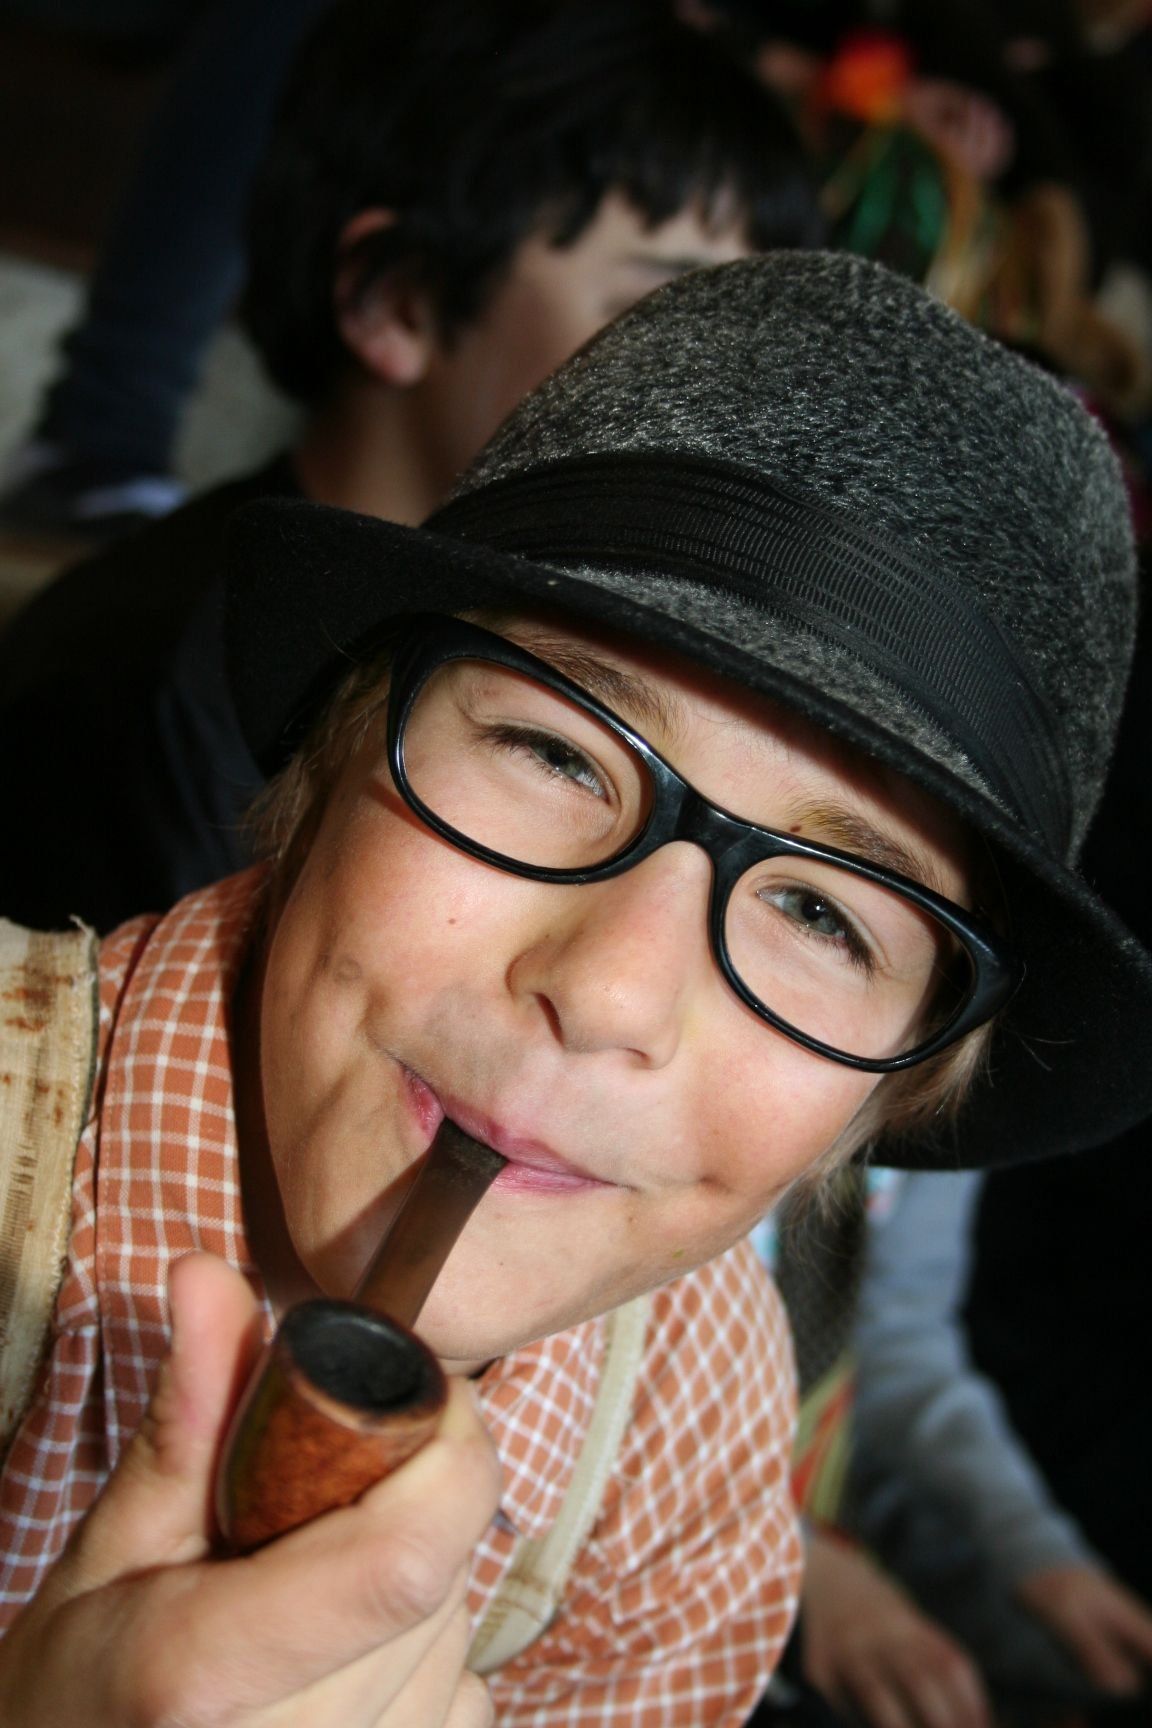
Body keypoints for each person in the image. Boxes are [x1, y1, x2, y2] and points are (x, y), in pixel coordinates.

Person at [2, 249, 1151, 1725]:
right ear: (338, 743)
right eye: (554, 753)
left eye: (823, 914)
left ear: (896, 1086)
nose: (608, 991)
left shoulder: (689, 1436)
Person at [0, 0, 818, 936]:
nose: (721, 395)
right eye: (658, 317)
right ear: (399, 303)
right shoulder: (148, 699)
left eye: (740, 343)